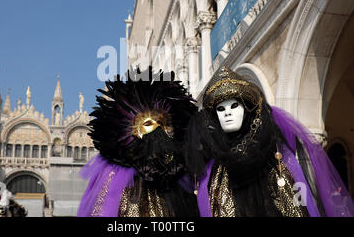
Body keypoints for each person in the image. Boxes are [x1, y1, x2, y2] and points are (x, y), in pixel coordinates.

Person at [185, 66, 354, 217]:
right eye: (220, 109)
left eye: (234, 106)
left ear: (247, 109)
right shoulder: (215, 171)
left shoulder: (276, 157)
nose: (227, 113)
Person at [77, 67, 199, 217]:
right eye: (148, 125)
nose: (157, 131)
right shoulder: (116, 174)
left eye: (162, 125)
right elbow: (103, 209)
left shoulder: (180, 171)